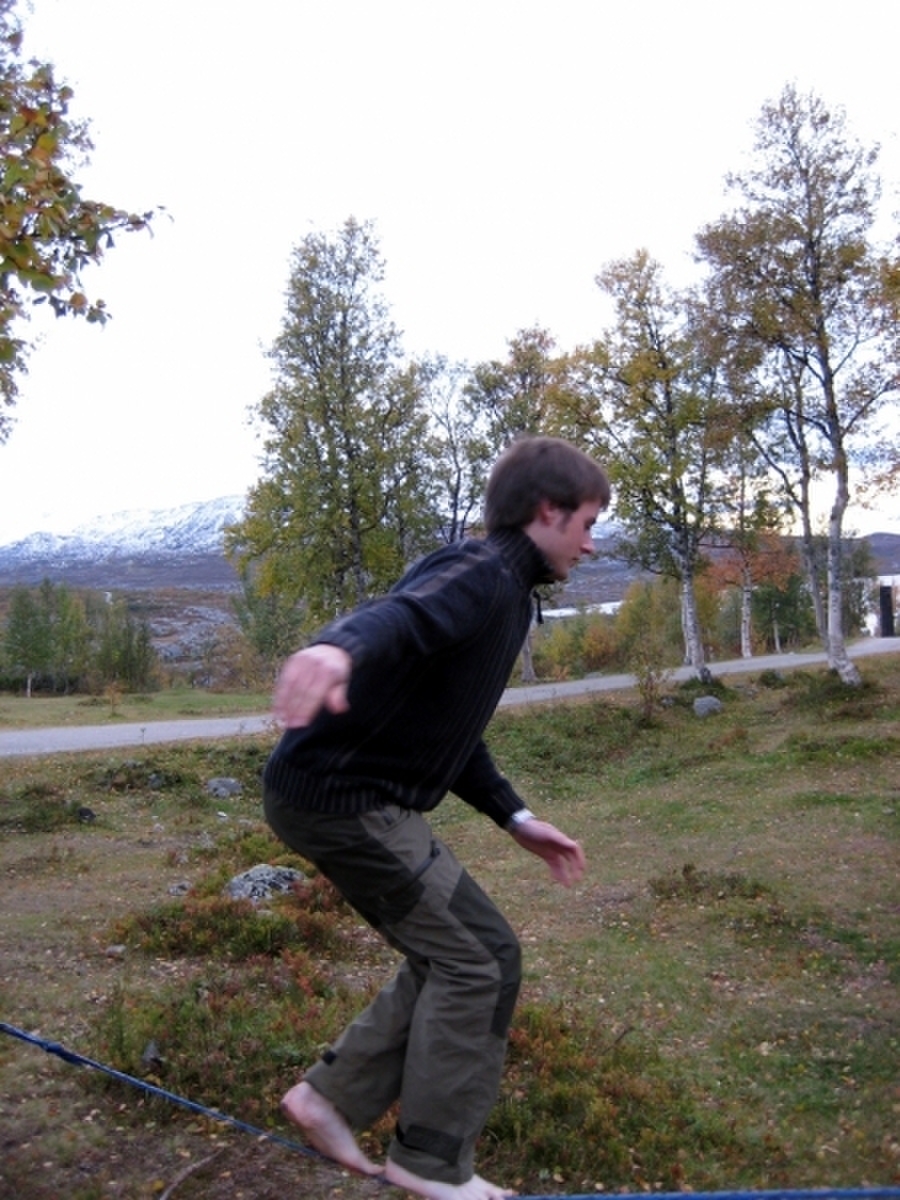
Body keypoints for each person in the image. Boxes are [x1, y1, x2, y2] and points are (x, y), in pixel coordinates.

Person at [263, 435, 611, 1200]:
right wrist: (335, 649)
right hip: (345, 802)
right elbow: (402, 617)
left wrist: (515, 816)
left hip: (343, 797)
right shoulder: (481, 574)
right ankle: (428, 1162)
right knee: (481, 958)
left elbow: (448, 729)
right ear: (547, 511)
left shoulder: (505, 591)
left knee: (457, 954)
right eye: (587, 523)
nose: (591, 544)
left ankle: (329, 1099)